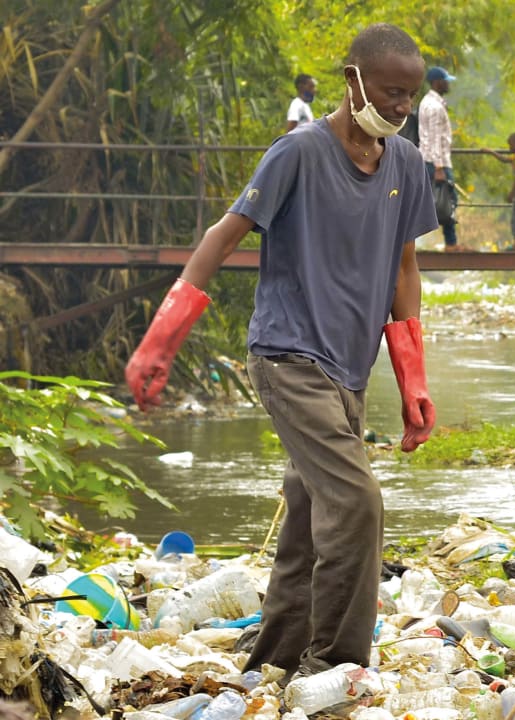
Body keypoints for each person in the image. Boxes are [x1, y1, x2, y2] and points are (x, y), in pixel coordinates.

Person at [124, 23, 437, 681]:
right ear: (352, 79)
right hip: (287, 356)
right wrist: (161, 342)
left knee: (307, 518)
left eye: (409, 95)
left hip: (350, 368)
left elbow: (405, 268)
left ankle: (275, 661)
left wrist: (413, 380)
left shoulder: (405, 165)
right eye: (390, 92)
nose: (401, 107)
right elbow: (223, 234)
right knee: (356, 502)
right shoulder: (298, 152)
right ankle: (339, 663)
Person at [419, 66, 460, 251]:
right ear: (437, 82)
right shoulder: (434, 107)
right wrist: (439, 167)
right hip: (436, 161)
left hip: (430, 159)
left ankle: (450, 242)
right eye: (445, 81)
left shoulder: (429, 102)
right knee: (448, 200)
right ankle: (450, 243)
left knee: (434, 200)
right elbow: (435, 137)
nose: (448, 84)